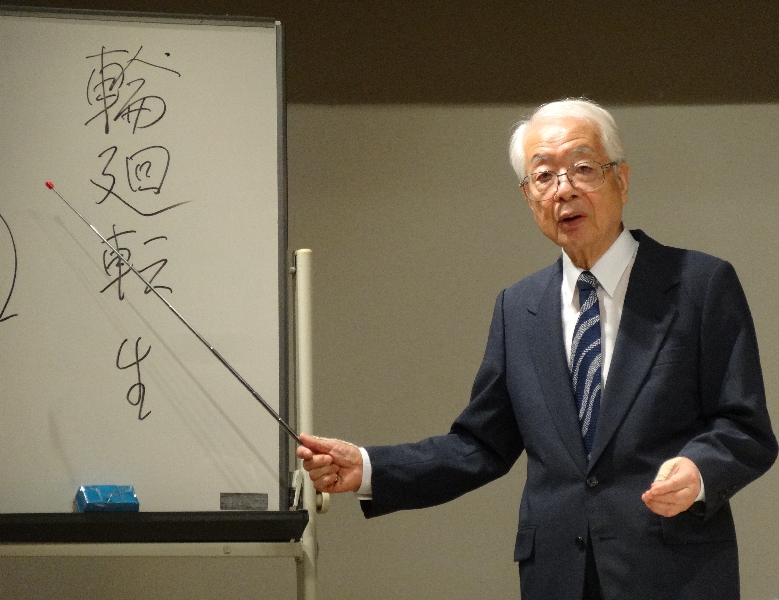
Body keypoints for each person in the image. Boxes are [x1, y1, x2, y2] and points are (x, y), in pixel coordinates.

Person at [296, 98, 778, 600]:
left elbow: (744, 427)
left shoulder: (699, 284)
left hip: (672, 573)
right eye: (543, 176)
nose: (563, 189)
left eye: (583, 168)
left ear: (622, 180)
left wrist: (699, 470)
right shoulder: (518, 307)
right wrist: (370, 468)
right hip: (556, 576)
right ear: (529, 197)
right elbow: (481, 445)